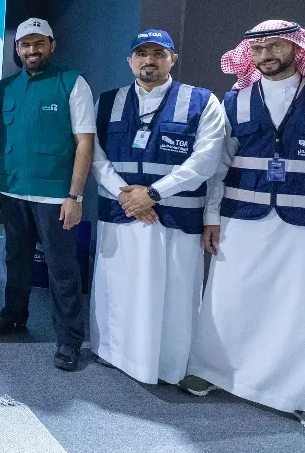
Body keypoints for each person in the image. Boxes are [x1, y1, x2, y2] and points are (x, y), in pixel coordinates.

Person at [182, 20, 305, 440]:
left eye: (274, 46)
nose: (264, 55)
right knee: (229, 299)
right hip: (242, 217)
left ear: (296, 49)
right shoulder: (236, 100)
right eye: (257, 48)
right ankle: (214, 371)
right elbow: (218, 166)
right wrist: (212, 217)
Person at [89, 29, 225, 385]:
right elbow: (95, 156)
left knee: (174, 296)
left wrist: (152, 194)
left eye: (158, 54)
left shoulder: (202, 101)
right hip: (121, 215)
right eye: (142, 54)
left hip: (174, 219)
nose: (149, 60)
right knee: (119, 288)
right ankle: (116, 354)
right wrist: (126, 196)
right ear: (130, 61)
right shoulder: (107, 102)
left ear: (172, 59)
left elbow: (206, 161)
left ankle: (167, 366)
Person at [0, 17, 95, 371]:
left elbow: (84, 143)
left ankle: (69, 340)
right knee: (15, 259)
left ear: (52, 45)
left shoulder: (72, 82)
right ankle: (14, 315)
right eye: (25, 45)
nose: (32, 50)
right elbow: (0, 143)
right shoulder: (5, 87)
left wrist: (75, 197)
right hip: (13, 190)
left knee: (61, 268)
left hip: (55, 196)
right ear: (17, 49)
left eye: (39, 43)